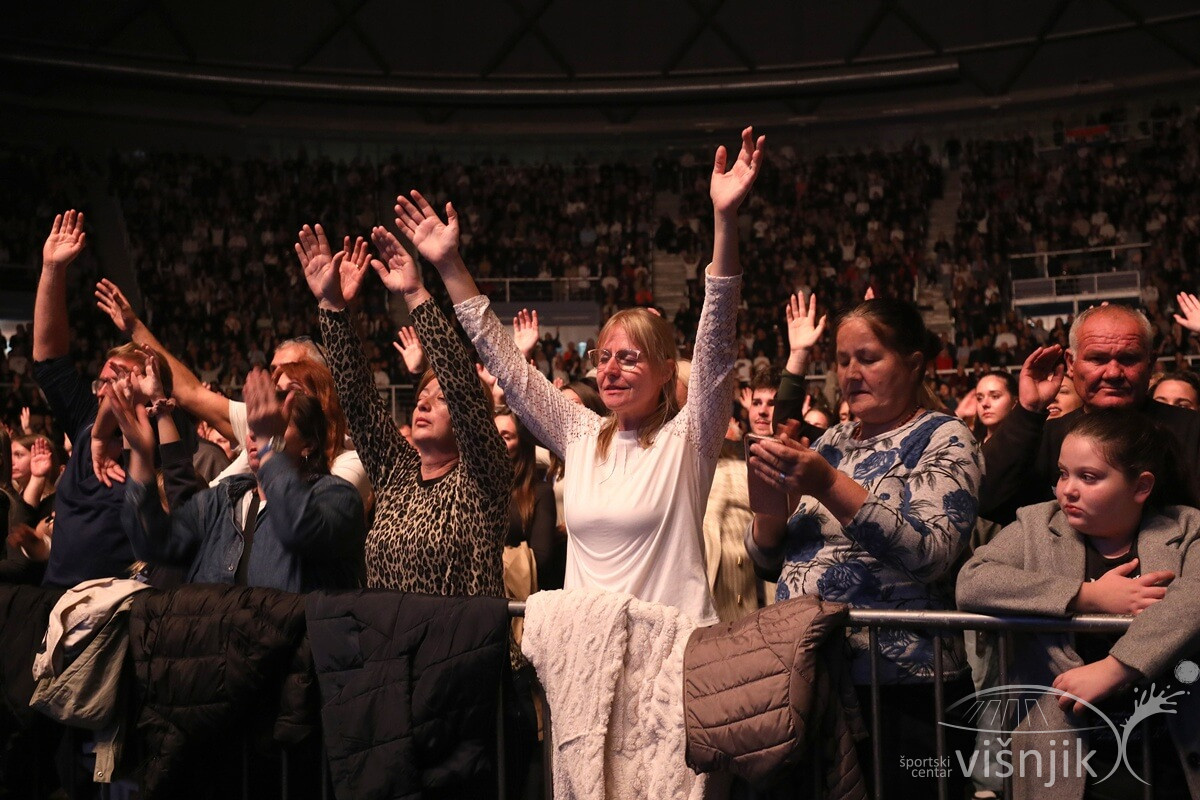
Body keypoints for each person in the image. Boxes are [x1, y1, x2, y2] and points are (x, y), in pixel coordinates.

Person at [405, 127, 764, 625]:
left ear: (665, 371)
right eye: (603, 356)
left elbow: (717, 341)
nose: (610, 369)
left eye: (630, 358)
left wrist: (724, 220)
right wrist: (449, 266)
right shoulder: (580, 434)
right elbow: (504, 360)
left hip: (668, 659)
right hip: (585, 661)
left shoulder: (690, 440)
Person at [744, 296, 983, 795]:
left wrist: (829, 484)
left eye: (869, 358)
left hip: (911, 691)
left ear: (913, 364)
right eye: (843, 360)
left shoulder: (946, 437)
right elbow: (771, 561)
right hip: (816, 680)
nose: (852, 373)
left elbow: (932, 553)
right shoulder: (833, 439)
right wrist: (768, 513)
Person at [958, 411, 1200, 800]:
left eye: (1089, 477)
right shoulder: (1038, 525)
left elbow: (1195, 598)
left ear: (1141, 487)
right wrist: (1089, 595)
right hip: (1067, 754)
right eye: (1063, 473)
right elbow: (973, 582)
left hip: (1166, 749)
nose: (1067, 489)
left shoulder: (1185, 528)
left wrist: (1117, 667)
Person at [301, 224, 512, 597]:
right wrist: (332, 307)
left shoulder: (482, 476)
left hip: (459, 650)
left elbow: (461, 384)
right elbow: (359, 401)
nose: (423, 403)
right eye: (420, 397)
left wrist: (415, 294)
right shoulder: (397, 473)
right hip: (390, 649)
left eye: (440, 398)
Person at [94, 279, 373, 507]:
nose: (275, 385)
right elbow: (191, 392)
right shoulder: (261, 430)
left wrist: (267, 447)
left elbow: (305, 522)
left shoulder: (349, 461)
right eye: (274, 376)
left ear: (322, 385)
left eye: (293, 378)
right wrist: (135, 327)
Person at [116, 367, 365, 591]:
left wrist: (270, 446)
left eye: (275, 425)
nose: (256, 434)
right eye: (255, 425)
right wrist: (140, 458)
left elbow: (298, 530)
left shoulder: (337, 497)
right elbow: (154, 544)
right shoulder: (222, 501)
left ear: (308, 445)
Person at [32, 211, 169, 587]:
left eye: (123, 376)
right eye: (104, 378)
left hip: (118, 615)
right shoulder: (86, 425)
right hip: (56, 606)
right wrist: (52, 271)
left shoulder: (164, 443)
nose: (109, 386)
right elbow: (49, 361)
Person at [981, 303, 1200, 525]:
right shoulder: (1044, 437)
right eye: (1097, 359)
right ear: (1071, 363)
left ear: (1151, 363)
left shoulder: (1192, 431)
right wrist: (1028, 411)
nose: (1113, 373)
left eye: (1128, 359)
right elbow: (985, 501)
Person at [495, 407, 558, 589]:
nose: (496, 442)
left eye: (506, 437)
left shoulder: (540, 492)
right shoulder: (473, 487)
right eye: (492, 434)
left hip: (514, 600)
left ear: (522, 444)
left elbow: (541, 558)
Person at [973, 370, 1018, 442]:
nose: (984, 404)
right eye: (979, 398)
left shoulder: (1025, 443)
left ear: (1015, 402)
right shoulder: (971, 444)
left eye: (995, 396)